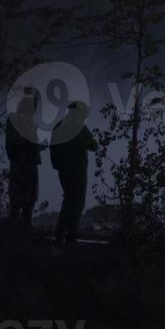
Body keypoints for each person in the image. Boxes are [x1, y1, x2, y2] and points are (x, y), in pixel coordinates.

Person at [49, 101, 97, 245]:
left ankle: (60, 233)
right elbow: (94, 146)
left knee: (68, 200)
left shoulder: (59, 125)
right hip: (78, 171)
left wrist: (58, 165)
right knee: (77, 202)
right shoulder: (79, 127)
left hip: (63, 170)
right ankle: (71, 235)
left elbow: (53, 148)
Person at [6, 89, 44, 230]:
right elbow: (17, 143)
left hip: (27, 162)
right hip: (21, 163)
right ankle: (17, 225)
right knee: (19, 195)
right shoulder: (16, 120)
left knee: (29, 196)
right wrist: (33, 145)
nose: (34, 110)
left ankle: (25, 223)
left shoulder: (23, 120)